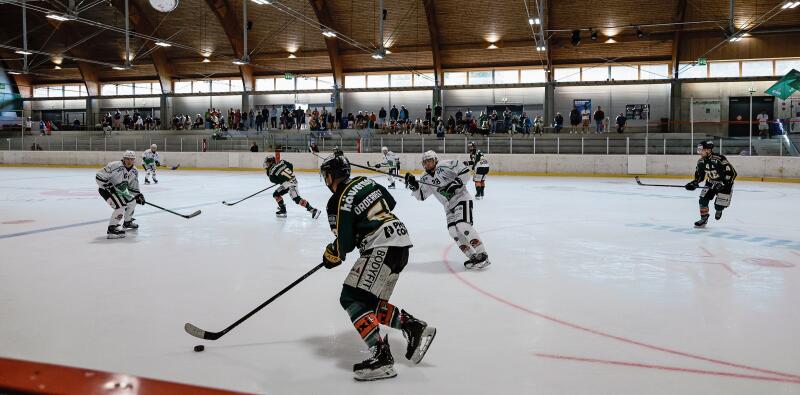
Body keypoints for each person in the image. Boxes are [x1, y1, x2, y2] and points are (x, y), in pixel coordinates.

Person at [319, 154, 436, 382]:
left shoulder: (337, 200)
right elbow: (390, 202)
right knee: (371, 304)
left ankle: (382, 357)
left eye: (326, 175)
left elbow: (344, 244)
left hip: (380, 244)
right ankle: (412, 326)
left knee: (351, 299)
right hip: (400, 242)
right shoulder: (366, 181)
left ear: (332, 176)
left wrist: (332, 253)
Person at [404, 151, 491, 269]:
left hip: (461, 198)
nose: (427, 164)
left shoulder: (445, 164)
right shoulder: (425, 176)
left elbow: (464, 171)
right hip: (448, 206)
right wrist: (414, 185)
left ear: (435, 160)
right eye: (425, 162)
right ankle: (472, 256)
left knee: (462, 225)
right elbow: (421, 196)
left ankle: (482, 254)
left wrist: (457, 183)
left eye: (429, 161)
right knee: (453, 231)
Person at [685, 141, 737, 228]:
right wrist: (694, 183)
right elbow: (700, 176)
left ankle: (719, 209)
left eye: (701, 150)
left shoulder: (719, 159)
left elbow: (732, 173)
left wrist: (723, 183)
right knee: (703, 200)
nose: (699, 152)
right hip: (710, 182)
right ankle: (704, 218)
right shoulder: (700, 162)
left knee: (719, 206)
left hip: (725, 185)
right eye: (699, 150)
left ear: (708, 150)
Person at [95, 151, 144, 239]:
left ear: (134, 160)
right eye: (127, 159)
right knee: (120, 207)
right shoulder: (114, 165)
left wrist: (138, 195)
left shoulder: (134, 171)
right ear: (124, 159)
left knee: (132, 202)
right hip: (106, 190)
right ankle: (111, 230)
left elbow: (133, 185)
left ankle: (127, 222)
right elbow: (99, 175)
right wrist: (108, 185)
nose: (129, 161)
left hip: (120, 192)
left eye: (131, 159)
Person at [263, 155, 320, 219]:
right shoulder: (282, 162)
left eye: (267, 163)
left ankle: (313, 210)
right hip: (289, 182)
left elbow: (275, 180)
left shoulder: (271, 173)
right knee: (276, 194)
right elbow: (291, 165)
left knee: (297, 199)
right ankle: (283, 210)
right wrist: (289, 176)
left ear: (271, 162)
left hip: (290, 184)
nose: (267, 165)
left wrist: (282, 180)